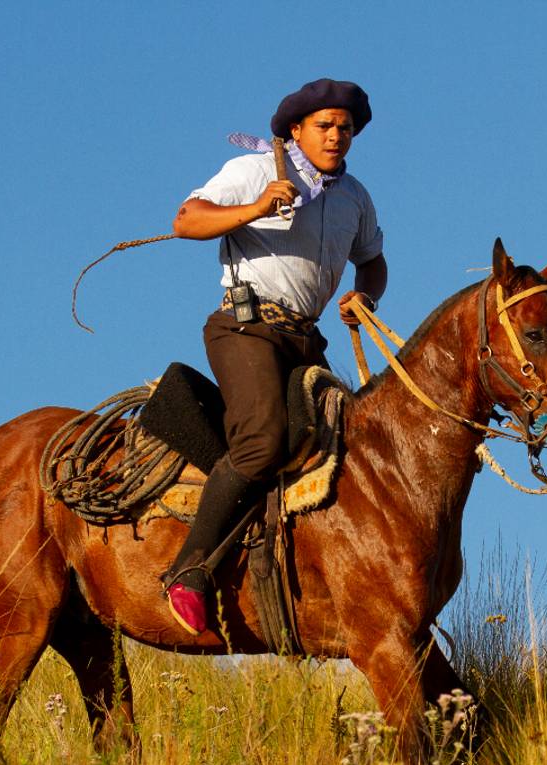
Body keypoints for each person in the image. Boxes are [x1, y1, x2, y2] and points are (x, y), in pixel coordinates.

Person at [163, 78, 388, 635]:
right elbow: (186, 220)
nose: (337, 136)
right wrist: (255, 207)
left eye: (346, 129)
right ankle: (187, 573)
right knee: (263, 439)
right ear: (296, 130)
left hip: (306, 338)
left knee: (351, 444)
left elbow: (373, 261)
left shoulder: (355, 196)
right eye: (325, 126)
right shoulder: (252, 171)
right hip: (246, 327)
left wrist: (366, 294)